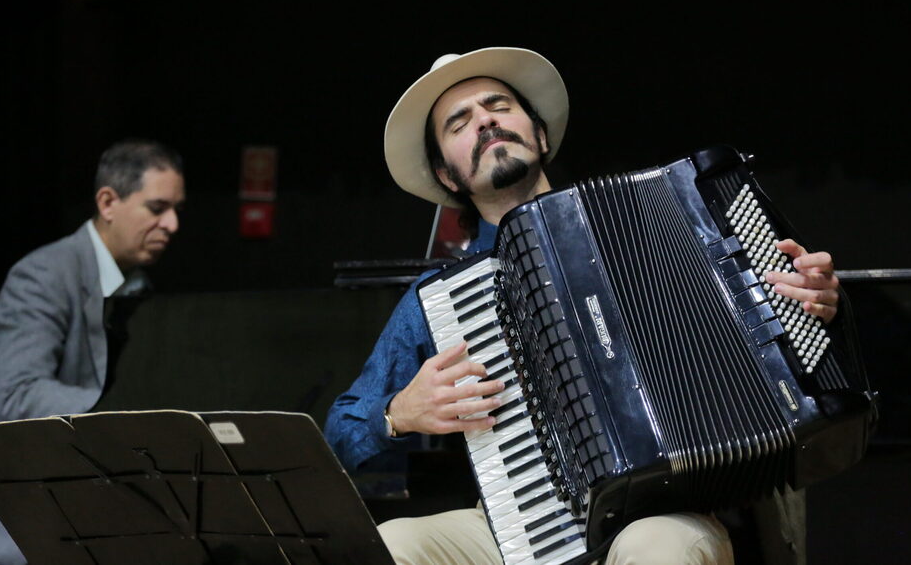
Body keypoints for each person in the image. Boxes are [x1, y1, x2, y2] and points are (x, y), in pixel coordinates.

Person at [325, 47, 840, 564]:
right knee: (393, 546)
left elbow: (777, 328)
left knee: (659, 546)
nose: (485, 121)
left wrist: (805, 306)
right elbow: (339, 434)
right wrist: (398, 414)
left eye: (498, 105)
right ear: (448, 177)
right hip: (517, 528)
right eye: (459, 123)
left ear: (540, 134)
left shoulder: (653, 221)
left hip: (667, 511)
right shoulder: (438, 299)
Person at [0, 141, 186, 565]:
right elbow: (19, 396)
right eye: (157, 208)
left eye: (176, 209)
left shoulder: (137, 286)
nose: (172, 223)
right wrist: (123, 413)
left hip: (75, 501)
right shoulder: (43, 274)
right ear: (108, 202)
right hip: (2, 516)